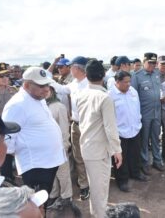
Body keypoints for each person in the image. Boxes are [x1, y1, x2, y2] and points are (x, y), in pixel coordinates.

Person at [2, 67, 66, 204]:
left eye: (47, 84)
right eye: (41, 85)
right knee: (36, 205)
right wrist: (7, 176)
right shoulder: (17, 105)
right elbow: (7, 142)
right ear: (26, 85)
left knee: (43, 202)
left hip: (48, 162)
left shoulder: (38, 97)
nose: (46, 88)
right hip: (35, 166)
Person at [76, 59, 122, 218]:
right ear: (103, 75)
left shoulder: (81, 94)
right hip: (99, 150)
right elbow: (110, 128)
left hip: (88, 146)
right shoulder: (104, 97)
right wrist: (118, 150)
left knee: (96, 188)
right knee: (100, 190)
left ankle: (96, 213)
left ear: (86, 75)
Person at [52, 56, 90, 200]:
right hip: (76, 125)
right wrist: (46, 77)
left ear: (76, 68)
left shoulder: (90, 84)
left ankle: (93, 183)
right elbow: (61, 89)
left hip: (89, 127)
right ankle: (84, 184)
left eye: (71, 67)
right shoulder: (73, 83)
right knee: (78, 156)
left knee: (91, 156)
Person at [108, 71, 148, 193]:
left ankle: (135, 173)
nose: (128, 84)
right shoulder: (110, 95)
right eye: (125, 82)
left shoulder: (133, 91)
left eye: (129, 81)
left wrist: (138, 122)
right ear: (117, 82)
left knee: (135, 154)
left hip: (134, 129)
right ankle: (122, 180)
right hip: (119, 132)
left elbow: (137, 108)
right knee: (120, 158)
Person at [131, 52, 165, 175]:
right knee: (144, 140)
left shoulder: (157, 73)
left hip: (157, 112)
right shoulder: (136, 76)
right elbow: (133, 97)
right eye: (149, 62)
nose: (152, 65)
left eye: (153, 63)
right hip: (144, 114)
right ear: (143, 62)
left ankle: (157, 161)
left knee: (156, 138)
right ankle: (144, 163)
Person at [45, 86, 73, 209]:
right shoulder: (41, 105)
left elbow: (64, 129)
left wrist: (65, 145)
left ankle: (66, 197)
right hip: (46, 147)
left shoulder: (59, 107)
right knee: (51, 173)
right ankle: (54, 195)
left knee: (63, 173)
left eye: (47, 90)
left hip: (59, 146)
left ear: (52, 91)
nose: (45, 92)